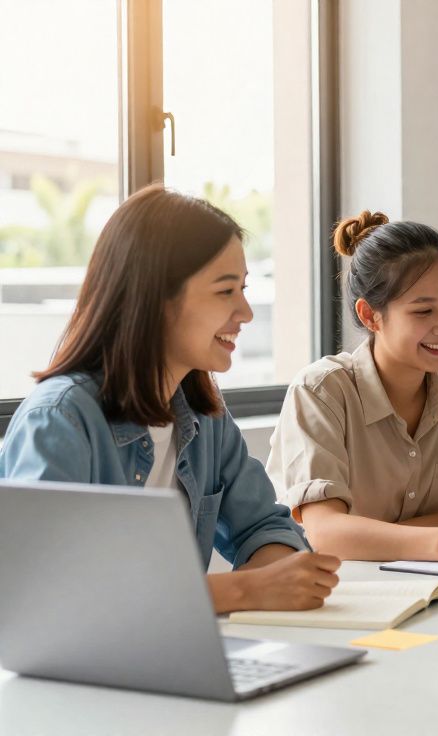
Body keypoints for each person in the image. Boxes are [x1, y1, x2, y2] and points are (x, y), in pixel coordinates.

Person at [0, 184, 337, 613]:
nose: (246, 313)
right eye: (225, 291)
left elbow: (266, 526)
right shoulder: (60, 420)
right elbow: (41, 589)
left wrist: (279, 576)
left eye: (244, 289)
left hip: (170, 653)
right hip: (75, 675)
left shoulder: (204, 414)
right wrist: (243, 592)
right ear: (155, 298)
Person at [267, 211, 438, 568]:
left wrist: (379, 537)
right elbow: (326, 534)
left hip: (426, 583)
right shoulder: (319, 392)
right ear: (370, 315)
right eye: (423, 312)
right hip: (332, 590)